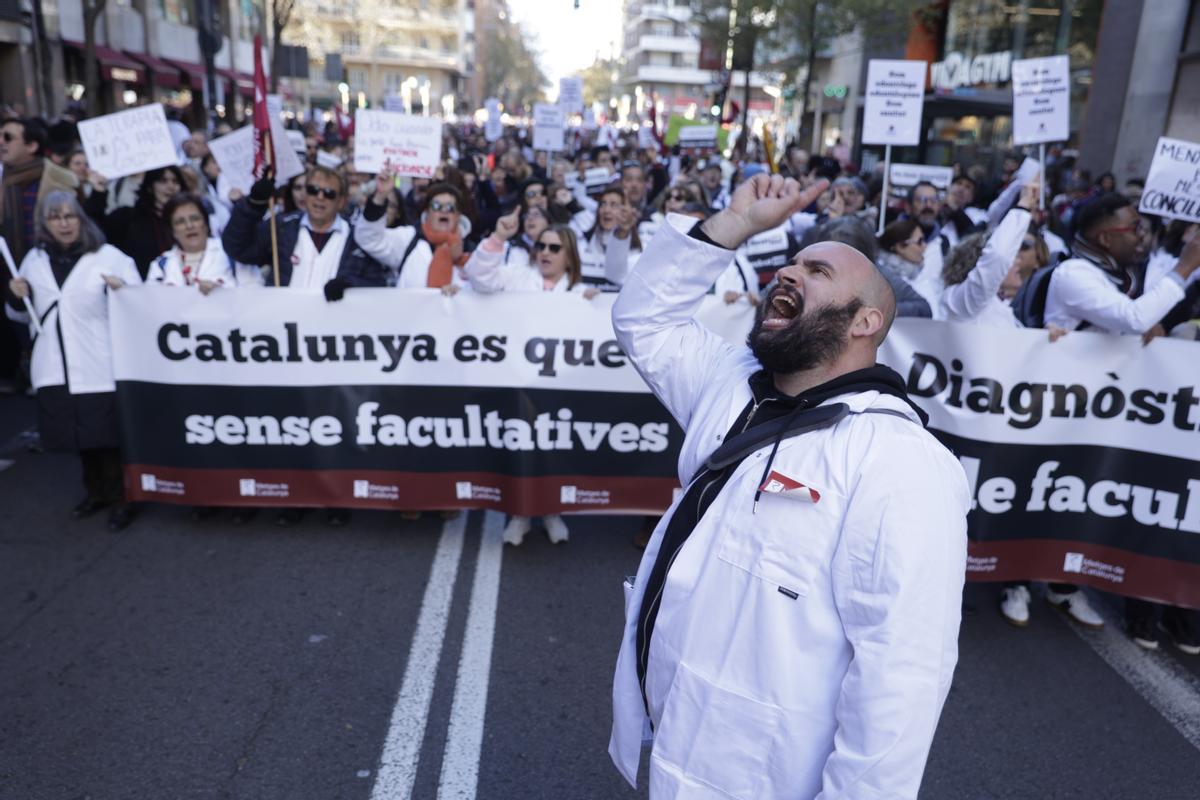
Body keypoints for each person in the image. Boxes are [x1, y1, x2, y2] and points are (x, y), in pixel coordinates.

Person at [609, 173, 969, 799]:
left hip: (768, 778)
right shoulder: (730, 382)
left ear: (866, 322)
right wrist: (735, 223)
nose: (790, 273)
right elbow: (642, 318)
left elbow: (900, 678)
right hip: (671, 740)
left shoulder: (901, 462)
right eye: (793, 263)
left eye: (820, 272)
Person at [1043, 194, 1200, 640]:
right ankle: (1017, 579)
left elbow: (1133, 320)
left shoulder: (1112, 274)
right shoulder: (1075, 273)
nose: (1143, 236)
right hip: (1057, 410)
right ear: (1106, 235)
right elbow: (1131, 318)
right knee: (1045, 491)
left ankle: (1062, 583)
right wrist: (1185, 267)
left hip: (1096, 409)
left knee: (1080, 495)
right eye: (1134, 228)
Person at [223, 166, 388, 528]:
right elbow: (237, 247)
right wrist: (251, 204)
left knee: (332, 424)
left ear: (342, 201)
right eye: (313, 189)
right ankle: (295, 496)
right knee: (293, 424)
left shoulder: (357, 236)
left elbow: (381, 277)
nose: (318, 198)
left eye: (328, 193)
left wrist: (350, 282)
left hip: (335, 349)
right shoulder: (281, 227)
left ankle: (335, 498)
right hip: (288, 346)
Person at [4, 191, 141, 531]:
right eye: (55, 217)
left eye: (70, 216)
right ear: (45, 223)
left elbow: (138, 304)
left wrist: (121, 290)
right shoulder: (34, 261)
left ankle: (124, 497)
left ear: (81, 219)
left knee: (107, 436)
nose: (63, 224)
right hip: (55, 363)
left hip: (99, 361)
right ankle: (96, 492)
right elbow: (21, 316)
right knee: (79, 436)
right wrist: (16, 297)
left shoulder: (109, 257)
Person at [462, 212, 597, 544]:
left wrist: (595, 306)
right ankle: (520, 514)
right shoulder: (517, 278)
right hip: (518, 381)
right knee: (521, 447)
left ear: (569, 256)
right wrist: (498, 237)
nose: (546, 253)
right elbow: (478, 276)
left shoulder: (582, 292)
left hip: (560, 385)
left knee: (554, 449)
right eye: (541, 246)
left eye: (554, 247)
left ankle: (552, 511)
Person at [354, 168, 474, 289]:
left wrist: (460, 295)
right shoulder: (409, 239)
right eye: (436, 206)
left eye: (450, 207)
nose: (443, 211)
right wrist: (379, 198)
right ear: (427, 212)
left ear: (458, 215)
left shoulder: (470, 251)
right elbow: (370, 239)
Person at [85, 165, 187, 279]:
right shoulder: (128, 219)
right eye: (163, 181)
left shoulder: (190, 221)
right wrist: (98, 192)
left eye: (175, 181)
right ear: (150, 186)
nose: (171, 186)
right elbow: (95, 229)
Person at [1, 117, 79, 264]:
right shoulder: (2, 180)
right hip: (7, 273)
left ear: (31, 146)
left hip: (53, 267)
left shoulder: (62, 181)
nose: (1, 142)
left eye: (8, 137)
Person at [148, 193, 260, 291]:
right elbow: (151, 305)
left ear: (206, 223)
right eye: (180, 222)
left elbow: (254, 293)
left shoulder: (232, 252)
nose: (189, 226)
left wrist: (221, 294)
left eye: (195, 218)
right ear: (173, 231)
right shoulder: (160, 265)